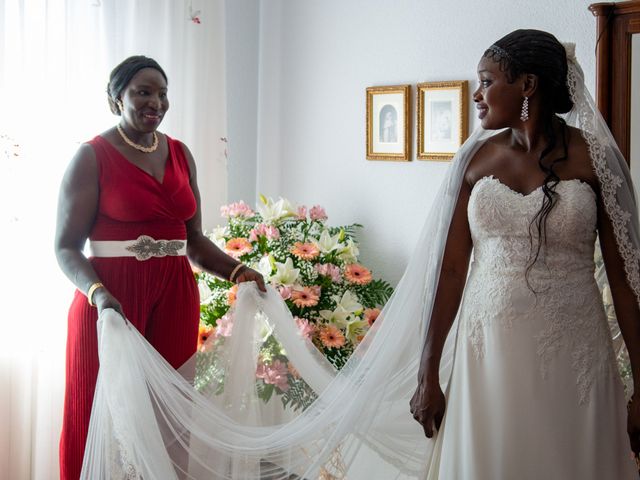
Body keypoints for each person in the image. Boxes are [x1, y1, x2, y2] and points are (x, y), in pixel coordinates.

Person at [410, 29, 640, 478]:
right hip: (488, 353)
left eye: (487, 81)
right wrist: (427, 373)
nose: (477, 95)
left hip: (575, 354)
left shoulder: (593, 160)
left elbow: (627, 282)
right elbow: (452, 270)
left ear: (527, 86)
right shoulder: (474, 161)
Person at [54, 55, 265, 480]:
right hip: (111, 303)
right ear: (117, 99)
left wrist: (239, 271)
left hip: (174, 296)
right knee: (99, 417)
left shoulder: (180, 154)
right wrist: (98, 295)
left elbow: (196, 242)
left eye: (163, 93)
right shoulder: (91, 157)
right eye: (143, 92)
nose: (156, 102)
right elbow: (65, 248)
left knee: (170, 420)